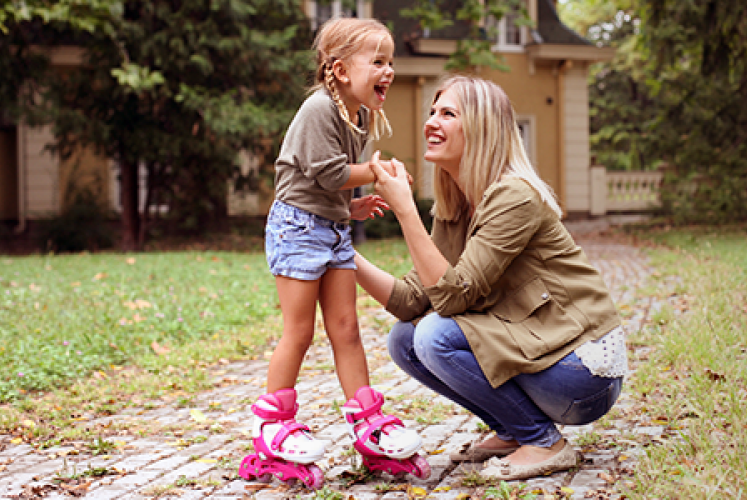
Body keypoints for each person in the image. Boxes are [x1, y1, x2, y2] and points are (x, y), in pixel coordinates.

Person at [355, 75, 629, 481]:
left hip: (582, 372)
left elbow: (451, 299)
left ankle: (543, 443)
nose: (432, 121)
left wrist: (405, 211)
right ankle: (512, 430)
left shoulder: (514, 196)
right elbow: (414, 297)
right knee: (404, 340)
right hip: (540, 352)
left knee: (434, 335)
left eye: (448, 113)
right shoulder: (457, 205)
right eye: (432, 111)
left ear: (482, 128)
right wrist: (340, 253)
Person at [238, 18, 428, 488]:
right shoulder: (318, 109)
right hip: (298, 229)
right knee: (299, 332)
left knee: (347, 328)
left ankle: (367, 424)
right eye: (378, 61)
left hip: (332, 226)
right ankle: (272, 430)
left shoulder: (358, 116)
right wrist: (376, 172)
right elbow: (324, 172)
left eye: (391, 61)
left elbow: (329, 182)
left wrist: (351, 204)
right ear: (341, 70)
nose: (388, 71)